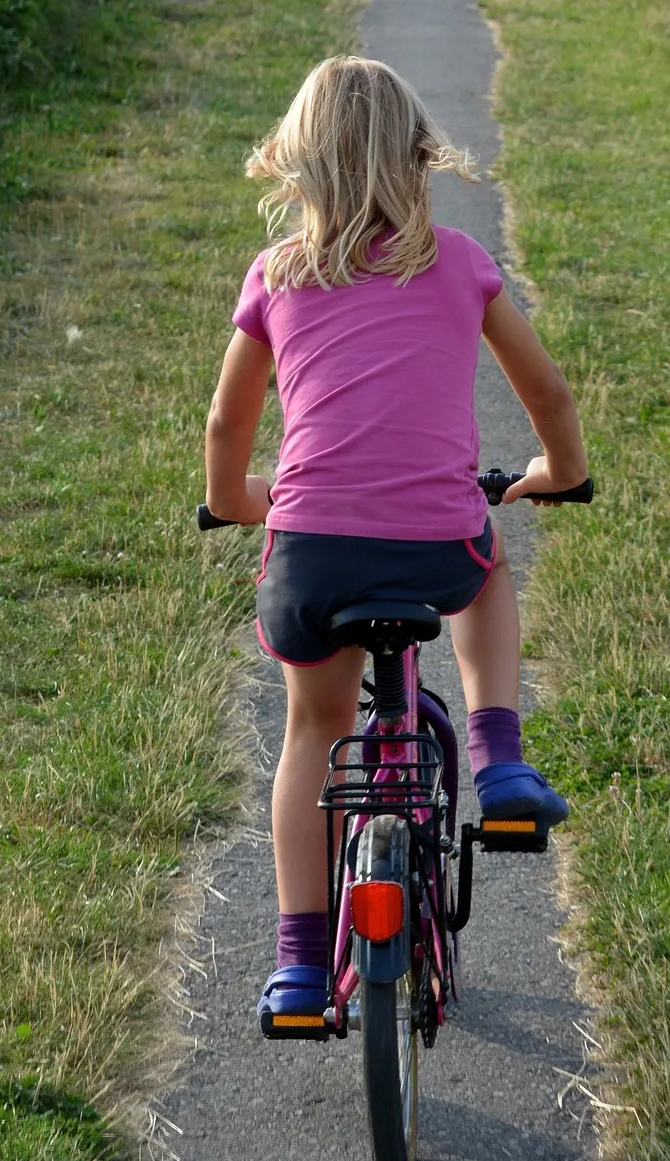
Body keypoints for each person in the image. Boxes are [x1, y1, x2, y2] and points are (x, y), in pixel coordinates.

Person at [203, 56, 588, 1020]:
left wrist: (238, 500)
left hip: (312, 556)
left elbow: (226, 428)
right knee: (487, 566)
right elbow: (546, 390)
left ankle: (297, 964)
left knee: (313, 730)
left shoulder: (276, 273)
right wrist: (561, 475)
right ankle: (498, 757)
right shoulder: (458, 261)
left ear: (297, 166)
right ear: (420, 156)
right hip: (433, 542)